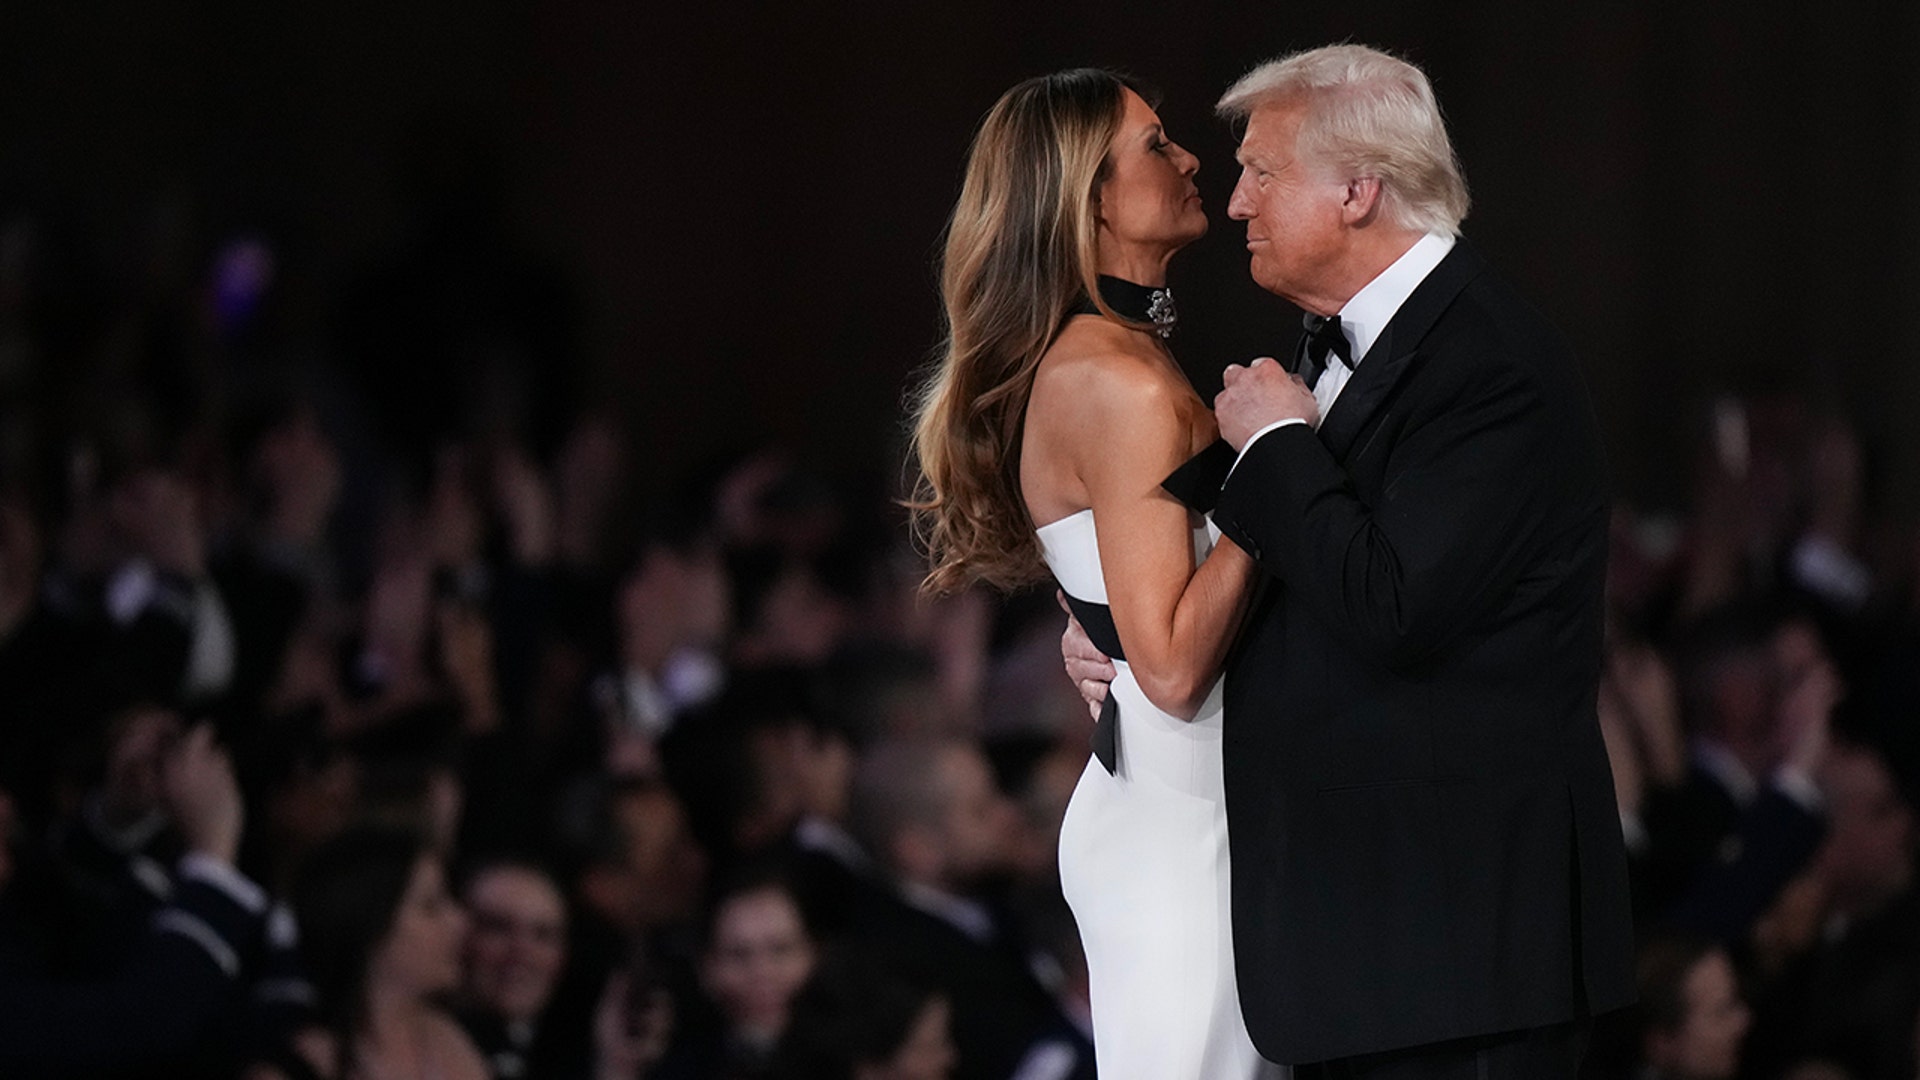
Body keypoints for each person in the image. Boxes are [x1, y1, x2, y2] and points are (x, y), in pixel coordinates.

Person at [1060, 45, 1635, 1076]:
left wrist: (1280, 447)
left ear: (1359, 191)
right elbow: (1286, 567)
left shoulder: (1490, 362)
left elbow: (1392, 604)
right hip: (1369, 962)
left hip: (1458, 968)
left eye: (1263, 174)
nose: (1236, 203)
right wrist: (1113, 625)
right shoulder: (1337, 342)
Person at [907, 68, 1272, 1079]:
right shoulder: (1113, 379)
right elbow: (1170, 666)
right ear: (1090, 198)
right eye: (1156, 146)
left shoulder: (1109, 360)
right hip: (1177, 838)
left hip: (1185, 813)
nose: (1193, 157)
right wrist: (1278, 473)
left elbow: (1125, 614)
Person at [249, 826, 490, 1080]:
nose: (459, 921)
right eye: (430, 907)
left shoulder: (449, 1043)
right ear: (369, 926)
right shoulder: (296, 1067)